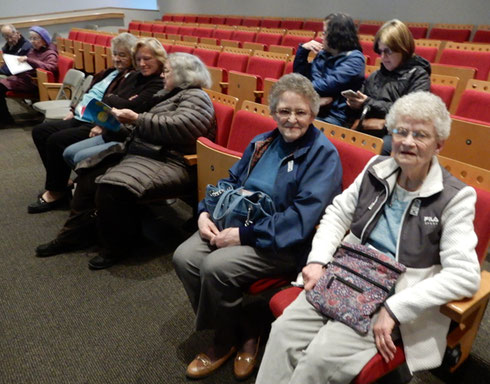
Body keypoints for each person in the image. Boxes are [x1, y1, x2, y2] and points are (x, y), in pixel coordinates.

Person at [255, 91, 481, 384]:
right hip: (346, 273)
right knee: (283, 332)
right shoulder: (377, 168)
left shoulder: (456, 198)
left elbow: (464, 276)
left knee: (319, 359)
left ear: (439, 144)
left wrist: (395, 308)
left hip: (394, 292)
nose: (407, 141)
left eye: (420, 135)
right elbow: (337, 213)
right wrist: (318, 260)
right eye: (400, 131)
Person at [173, 73, 342, 381]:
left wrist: (243, 236)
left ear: (313, 114)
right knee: (184, 257)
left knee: (216, 267)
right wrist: (204, 213)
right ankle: (245, 327)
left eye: (300, 112)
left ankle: (224, 340)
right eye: (284, 111)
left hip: (283, 243)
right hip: (236, 224)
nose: (291, 119)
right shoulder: (263, 142)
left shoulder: (322, 156)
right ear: (273, 111)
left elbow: (300, 219)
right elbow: (231, 182)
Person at [35, 53, 216, 271]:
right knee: (87, 175)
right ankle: (73, 235)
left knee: (111, 187)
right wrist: (115, 124)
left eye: (167, 71)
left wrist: (137, 119)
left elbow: (184, 127)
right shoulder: (167, 94)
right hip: (145, 153)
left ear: (182, 75)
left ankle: (117, 247)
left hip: (172, 161)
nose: (163, 74)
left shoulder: (196, 96)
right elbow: (147, 128)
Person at [28, 34, 164, 214]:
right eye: (115, 54)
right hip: (85, 116)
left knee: (56, 141)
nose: (117, 58)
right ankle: (61, 182)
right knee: (40, 131)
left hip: (101, 123)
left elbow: (121, 103)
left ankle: (56, 190)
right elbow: (95, 94)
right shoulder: (110, 72)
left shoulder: (134, 76)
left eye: (122, 55)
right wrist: (73, 108)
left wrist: (104, 118)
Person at [62, 38, 168, 169]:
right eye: (138, 59)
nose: (142, 63)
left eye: (147, 59)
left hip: (129, 135)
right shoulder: (135, 76)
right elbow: (108, 99)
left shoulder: (159, 83)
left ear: (159, 59)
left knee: (78, 156)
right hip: (111, 127)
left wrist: (116, 98)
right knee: (68, 153)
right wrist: (117, 100)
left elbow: (131, 107)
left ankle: (89, 182)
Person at [345, 19, 431, 154]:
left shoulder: (418, 75)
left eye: (388, 51)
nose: (383, 57)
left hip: (398, 133)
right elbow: (361, 105)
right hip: (369, 127)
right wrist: (355, 104)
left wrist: (368, 102)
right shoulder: (376, 76)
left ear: (403, 49)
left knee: (385, 145)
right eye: (380, 52)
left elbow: (411, 112)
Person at [293, 12, 365, 127]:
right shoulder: (324, 54)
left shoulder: (355, 59)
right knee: (281, 117)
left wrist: (300, 88)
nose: (321, 37)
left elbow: (327, 85)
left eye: (325, 33)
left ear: (336, 35)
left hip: (334, 116)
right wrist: (303, 51)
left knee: (294, 125)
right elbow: (301, 77)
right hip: (312, 107)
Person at [0, 26, 57, 126]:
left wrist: (28, 60)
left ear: (44, 40)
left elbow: (50, 67)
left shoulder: (50, 53)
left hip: (34, 83)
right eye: (31, 38)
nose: (32, 41)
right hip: (22, 79)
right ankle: (4, 118)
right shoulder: (34, 51)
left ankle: (6, 120)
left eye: (35, 39)